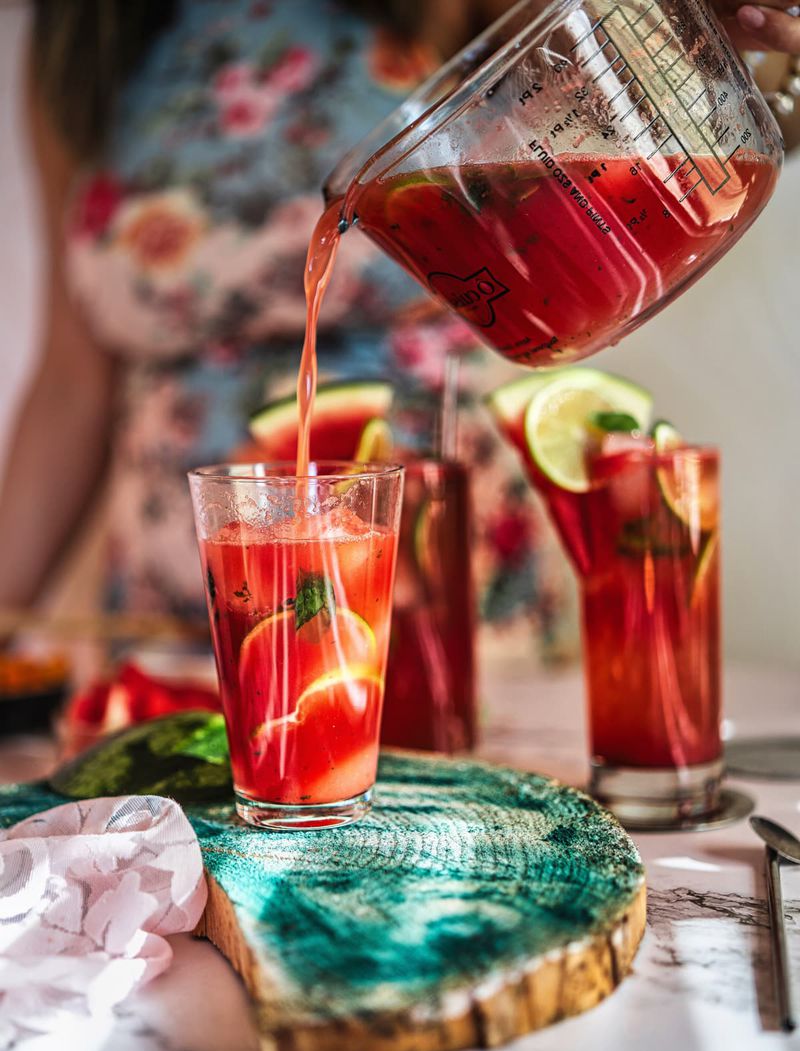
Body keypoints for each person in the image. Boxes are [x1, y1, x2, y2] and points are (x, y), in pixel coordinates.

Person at [0, 0, 796, 630]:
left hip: (448, 582)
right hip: (185, 616)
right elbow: (74, 378)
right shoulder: (83, 34)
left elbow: (676, 76)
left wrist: (761, 59)